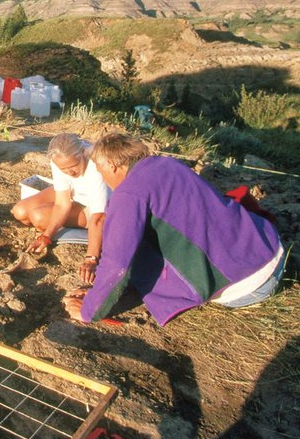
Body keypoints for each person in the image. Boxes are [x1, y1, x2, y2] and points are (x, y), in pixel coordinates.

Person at [63, 132, 284, 326]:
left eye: (100, 170)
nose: (102, 177)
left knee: (136, 249)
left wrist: (89, 310)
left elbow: (117, 261)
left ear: (111, 164)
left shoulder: (128, 193)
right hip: (271, 250)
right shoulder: (168, 164)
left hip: (247, 287)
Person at [11, 133, 109, 283]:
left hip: (98, 207)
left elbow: (99, 217)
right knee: (20, 211)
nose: (70, 172)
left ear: (83, 152)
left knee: (39, 216)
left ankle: (81, 228)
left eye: (74, 165)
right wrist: (46, 236)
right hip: (75, 194)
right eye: (64, 169)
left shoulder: (96, 166)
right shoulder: (58, 159)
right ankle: (55, 224)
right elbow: (63, 203)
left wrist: (91, 258)